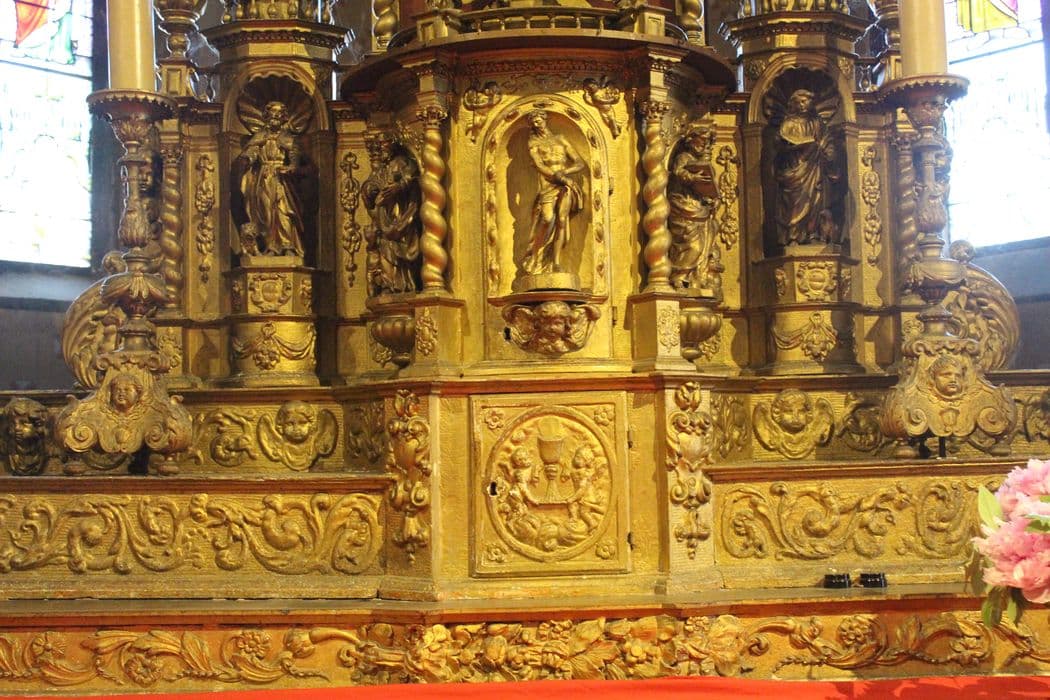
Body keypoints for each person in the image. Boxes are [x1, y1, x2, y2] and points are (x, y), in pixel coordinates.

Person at [772, 89, 842, 247]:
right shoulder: (788, 124)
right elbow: (778, 144)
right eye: (801, 102)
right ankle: (793, 236)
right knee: (794, 203)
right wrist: (790, 147)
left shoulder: (817, 123)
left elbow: (827, 141)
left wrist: (829, 153)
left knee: (815, 201)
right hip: (794, 170)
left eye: (808, 101)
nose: (805, 104)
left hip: (814, 168)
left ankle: (813, 234)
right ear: (794, 104)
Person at [521, 110, 586, 276]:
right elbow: (539, 165)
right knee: (548, 219)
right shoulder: (533, 142)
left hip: (565, 185)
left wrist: (565, 173)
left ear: (545, 120)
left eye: (539, 120)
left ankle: (556, 262)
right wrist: (559, 177)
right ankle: (535, 256)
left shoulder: (560, 139)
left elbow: (579, 163)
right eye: (534, 122)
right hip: (548, 185)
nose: (537, 124)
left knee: (562, 221)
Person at [238, 101, 306, 257]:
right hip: (263, 178)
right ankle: (271, 246)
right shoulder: (259, 137)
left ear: (284, 118)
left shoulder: (289, 139)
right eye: (272, 113)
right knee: (266, 212)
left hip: (282, 180)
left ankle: (288, 245)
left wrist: (291, 168)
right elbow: (251, 153)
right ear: (266, 116)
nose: (275, 116)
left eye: (279, 114)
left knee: (284, 211)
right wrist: (247, 159)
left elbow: (295, 158)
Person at [362, 136, 421, 296]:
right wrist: (370, 190)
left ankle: (404, 285)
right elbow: (371, 185)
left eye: (385, 148)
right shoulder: (381, 170)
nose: (383, 152)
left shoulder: (402, 162)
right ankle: (388, 284)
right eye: (381, 148)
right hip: (385, 217)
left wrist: (399, 186)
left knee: (399, 250)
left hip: (400, 214)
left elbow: (414, 176)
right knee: (385, 248)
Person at [668, 123, 719, 292]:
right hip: (682, 207)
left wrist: (711, 198)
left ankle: (695, 277)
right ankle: (679, 276)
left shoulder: (701, 162)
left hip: (698, 207)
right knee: (693, 246)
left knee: (704, 244)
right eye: (701, 140)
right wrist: (693, 178)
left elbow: (708, 189)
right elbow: (678, 172)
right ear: (692, 140)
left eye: (706, 142)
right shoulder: (683, 157)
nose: (703, 145)